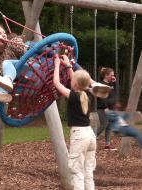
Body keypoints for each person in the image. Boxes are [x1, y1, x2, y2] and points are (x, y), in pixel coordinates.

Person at [53, 55, 96, 190]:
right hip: (90, 135)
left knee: (76, 172)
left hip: (79, 135)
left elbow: (56, 83)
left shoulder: (73, 95)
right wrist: (69, 66)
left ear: (75, 83)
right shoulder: (88, 95)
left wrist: (57, 65)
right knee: (88, 172)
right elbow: (77, 81)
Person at [96, 67, 118, 150]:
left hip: (111, 108)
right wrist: (105, 107)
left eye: (113, 75)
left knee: (109, 126)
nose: (113, 76)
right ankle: (90, 138)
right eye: (111, 75)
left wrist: (115, 83)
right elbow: (101, 97)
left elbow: (115, 93)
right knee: (104, 124)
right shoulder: (101, 84)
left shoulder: (111, 84)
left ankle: (107, 145)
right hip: (102, 108)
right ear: (106, 75)